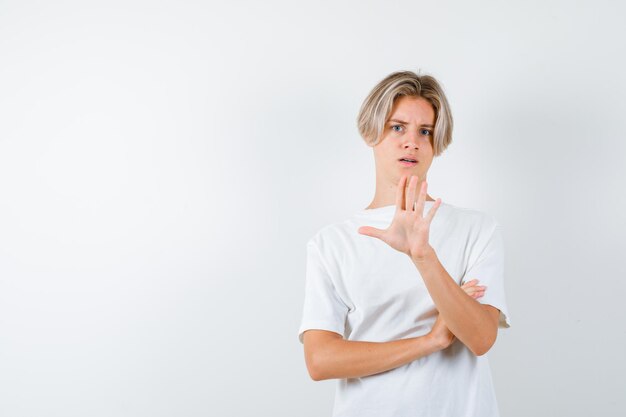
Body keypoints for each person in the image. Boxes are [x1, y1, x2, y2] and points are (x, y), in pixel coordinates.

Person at [297, 70, 512, 417]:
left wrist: (422, 255)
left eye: (424, 132)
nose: (411, 141)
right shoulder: (332, 243)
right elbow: (320, 360)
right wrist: (431, 341)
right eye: (397, 127)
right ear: (372, 134)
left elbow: (481, 337)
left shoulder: (477, 228)